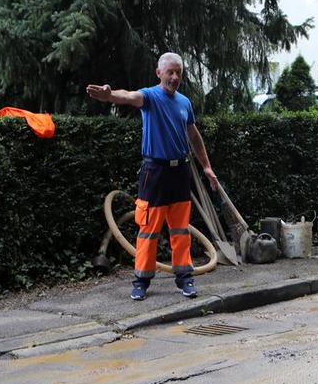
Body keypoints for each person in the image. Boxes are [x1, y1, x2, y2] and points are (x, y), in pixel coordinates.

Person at [86, 53, 219, 301]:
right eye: (170, 72)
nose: (175, 77)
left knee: (180, 230)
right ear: (159, 73)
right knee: (148, 230)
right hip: (154, 172)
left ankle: (185, 279)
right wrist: (110, 95)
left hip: (181, 171)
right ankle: (141, 281)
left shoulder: (184, 103)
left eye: (178, 72)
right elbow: (128, 96)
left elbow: (194, 135)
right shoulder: (150, 96)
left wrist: (207, 167)